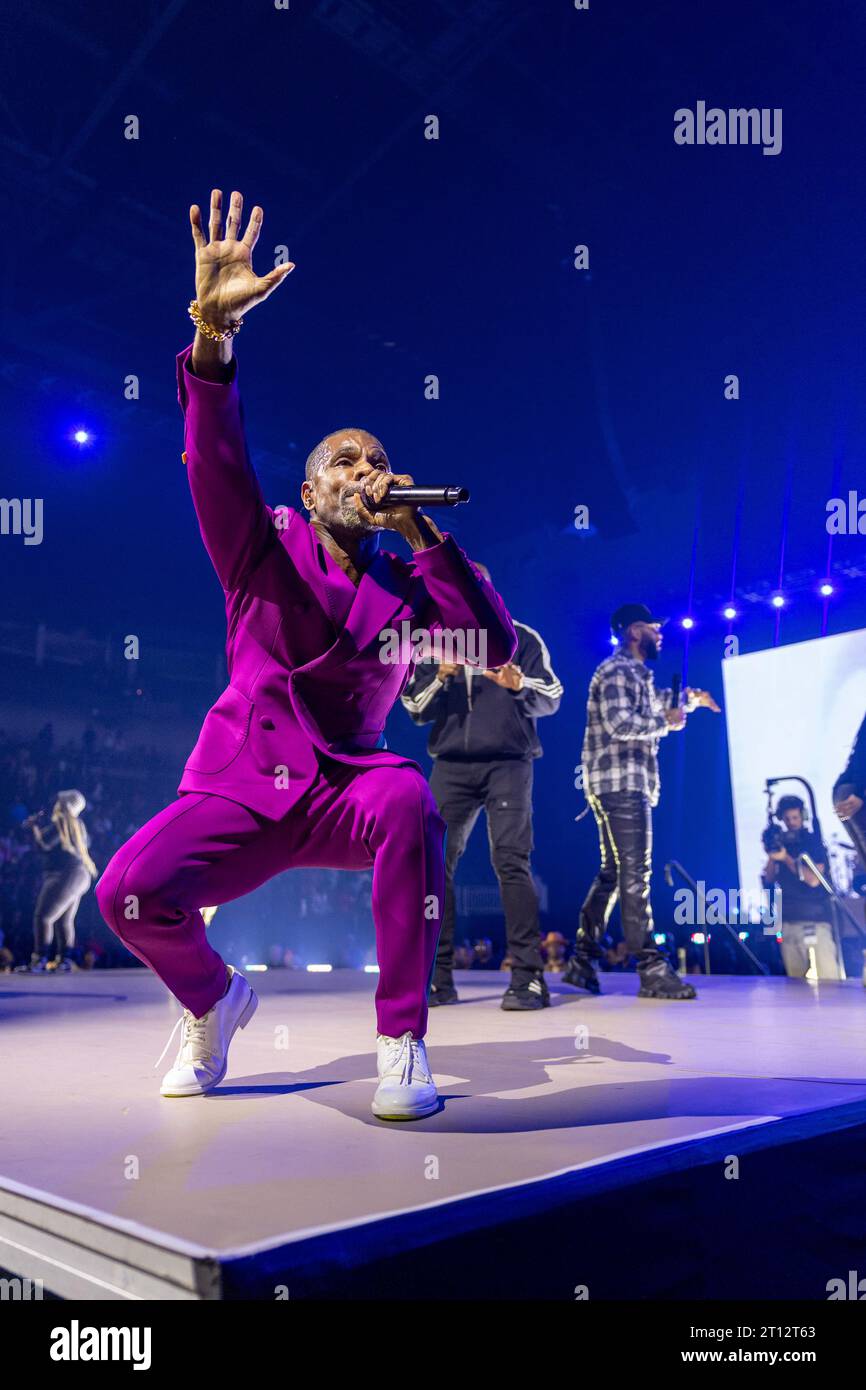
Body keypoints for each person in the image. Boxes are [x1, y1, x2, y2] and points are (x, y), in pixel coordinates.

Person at [95, 189, 516, 1120]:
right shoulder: (263, 540)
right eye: (344, 463)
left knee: (408, 795)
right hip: (243, 784)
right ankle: (215, 1003)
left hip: (345, 790)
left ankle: (401, 1042)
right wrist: (213, 338)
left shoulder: (411, 580)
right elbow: (214, 461)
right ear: (310, 486)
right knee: (126, 894)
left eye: (377, 463)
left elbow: (490, 643)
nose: (364, 473)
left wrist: (422, 537)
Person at [401, 579, 562, 1009]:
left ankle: (528, 977)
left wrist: (519, 683)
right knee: (433, 862)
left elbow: (554, 695)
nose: (466, 597)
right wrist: (440, 677)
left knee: (510, 859)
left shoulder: (520, 637)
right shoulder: (435, 643)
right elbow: (415, 708)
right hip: (452, 764)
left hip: (509, 761)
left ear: (492, 594)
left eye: (476, 589)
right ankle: (438, 978)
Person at [565, 603, 720, 1000]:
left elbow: (655, 701)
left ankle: (582, 960)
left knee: (613, 874)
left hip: (612, 785)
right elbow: (622, 722)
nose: (660, 634)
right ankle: (650, 968)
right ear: (635, 631)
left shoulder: (634, 673)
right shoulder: (618, 669)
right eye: (654, 627)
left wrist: (690, 700)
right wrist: (666, 722)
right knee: (636, 873)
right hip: (622, 785)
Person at [760, 794, 841, 979]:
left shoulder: (812, 842)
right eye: (787, 819)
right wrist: (772, 856)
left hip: (815, 921)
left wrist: (786, 858)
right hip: (789, 922)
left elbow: (813, 879)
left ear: (802, 816)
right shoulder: (781, 843)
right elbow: (769, 879)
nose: (791, 822)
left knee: (829, 983)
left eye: (795, 817)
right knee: (796, 989)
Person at [21, 791, 96, 973]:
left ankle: (39, 960)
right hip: (79, 875)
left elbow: (43, 845)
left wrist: (33, 827)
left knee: (43, 917)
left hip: (66, 875)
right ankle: (65, 960)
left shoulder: (62, 822)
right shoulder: (78, 825)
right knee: (63, 920)